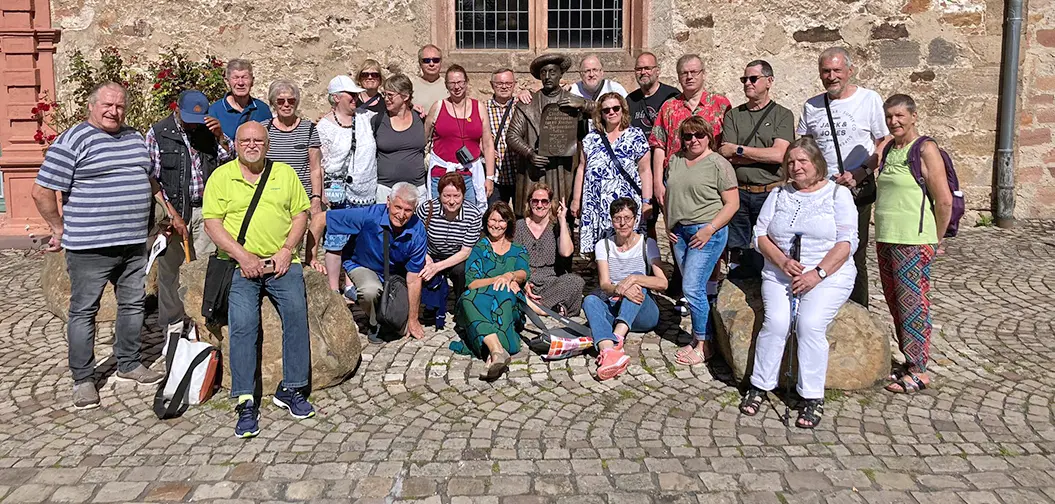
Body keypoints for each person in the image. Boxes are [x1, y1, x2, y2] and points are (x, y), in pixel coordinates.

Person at [31, 82, 165, 409]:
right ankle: (83, 379)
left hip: (133, 244)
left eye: (119, 106)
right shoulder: (73, 140)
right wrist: (58, 228)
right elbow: (42, 191)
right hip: (89, 248)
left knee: (133, 305)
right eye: (107, 105)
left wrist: (167, 214)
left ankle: (130, 363)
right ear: (92, 105)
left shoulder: (134, 138)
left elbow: (149, 180)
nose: (113, 111)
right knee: (84, 311)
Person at [203, 121, 313, 438]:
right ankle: (246, 399)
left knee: (295, 313)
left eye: (258, 140)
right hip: (239, 265)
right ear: (236, 144)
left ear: (267, 144)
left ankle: (292, 388)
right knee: (243, 323)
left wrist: (287, 250)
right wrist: (242, 256)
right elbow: (212, 224)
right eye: (246, 140)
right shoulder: (221, 178)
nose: (252, 145)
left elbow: (300, 215)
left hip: (281, 262)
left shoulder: (284, 174)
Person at [739, 136, 858, 429]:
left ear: (816, 163)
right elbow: (760, 234)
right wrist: (782, 262)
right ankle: (760, 384)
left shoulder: (837, 195)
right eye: (791, 162)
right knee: (777, 322)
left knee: (809, 323)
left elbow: (847, 242)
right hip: (781, 273)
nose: (796, 167)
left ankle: (812, 396)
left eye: (802, 160)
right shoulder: (779, 194)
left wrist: (816, 274)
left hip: (828, 275)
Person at [797, 46, 889, 307]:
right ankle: (821, 304)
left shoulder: (868, 99)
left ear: (850, 71)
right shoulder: (812, 105)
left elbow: (883, 141)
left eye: (837, 70)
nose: (832, 76)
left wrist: (861, 172)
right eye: (826, 71)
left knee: (853, 251)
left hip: (856, 187)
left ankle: (857, 311)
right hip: (822, 190)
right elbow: (805, 146)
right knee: (819, 248)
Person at [874, 94, 953, 394]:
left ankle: (920, 370)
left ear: (913, 116)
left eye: (899, 116)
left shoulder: (925, 149)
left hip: (913, 240)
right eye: (889, 117)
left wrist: (935, 239)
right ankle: (909, 360)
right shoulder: (891, 149)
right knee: (896, 303)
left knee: (914, 305)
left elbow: (943, 200)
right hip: (887, 236)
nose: (894, 121)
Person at [146, 89, 234, 338]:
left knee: (206, 268)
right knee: (171, 271)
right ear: (176, 110)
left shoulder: (209, 130)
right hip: (174, 212)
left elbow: (230, 163)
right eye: (187, 118)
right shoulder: (158, 133)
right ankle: (173, 326)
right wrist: (168, 214)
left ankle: (202, 322)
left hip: (207, 210)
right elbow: (151, 177)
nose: (193, 124)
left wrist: (221, 138)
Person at [649, 54, 732, 316]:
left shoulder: (720, 105)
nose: (690, 76)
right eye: (685, 72)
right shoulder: (669, 107)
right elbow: (659, 145)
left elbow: (726, 146)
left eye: (694, 72)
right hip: (676, 180)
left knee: (709, 238)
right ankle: (689, 290)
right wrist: (657, 184)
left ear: (703, 73)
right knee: (680, 236)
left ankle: (708, 290)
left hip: (708, 182)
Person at [305, 182, 428, 341]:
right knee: (370, 290)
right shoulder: (368, 215)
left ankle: (388, 312)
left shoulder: (418, 231)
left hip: (395, 273)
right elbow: (320, 219)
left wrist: (413, 320)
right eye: (398, 207)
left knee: (401, 328)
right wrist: (311, 257)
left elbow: (413, 280)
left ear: (415, 208)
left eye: (408, 210)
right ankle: (374, 322)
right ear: (388, 201)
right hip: (363, 264)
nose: (401, 214)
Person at [665, 117, 739, 365]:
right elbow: (670, 194)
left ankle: (704, 344)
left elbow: (732, 204)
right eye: (687, 136)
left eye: (699, 135)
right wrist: (668, 224)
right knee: (694, 286)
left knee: (692, 288)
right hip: (680, 233)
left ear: (709, 136)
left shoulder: (718, 164)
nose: (693, 140)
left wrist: (709, 229)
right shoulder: (676, 160)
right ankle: (700, 339)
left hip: (706, 232)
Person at [718, 60, 794, 278]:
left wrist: (739, 150)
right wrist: (763, 156)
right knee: (738, 250)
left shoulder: (782, 115)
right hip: (739, 192)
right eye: (744, 79)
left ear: (769, 81)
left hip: (769, 192)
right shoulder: (734, 115)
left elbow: (780, 155)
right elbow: (725, 153)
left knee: (769, 246)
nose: (747, 83)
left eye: (753, 78)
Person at [584, 198, 667, 380]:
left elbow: (663, 283)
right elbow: (605, 284)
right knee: (590, 300)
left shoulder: (647, 244)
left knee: (637, 279)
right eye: (618, 218)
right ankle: (609, 352)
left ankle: (616, 338)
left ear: (635, 219)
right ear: (612, 221)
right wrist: (620, 289)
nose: (623, 223)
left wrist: (633, 279)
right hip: (615, 305)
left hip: (642, 312)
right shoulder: (603, 246)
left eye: (627, 218)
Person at [450, 202, 531, 380]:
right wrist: (497, 279)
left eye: (501, 220)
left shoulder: (518, 249)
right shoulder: (480, 248)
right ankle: (497, 352)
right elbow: (472, 283)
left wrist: (509, 276)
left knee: (504, 293)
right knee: (468, 298)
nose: (496, 224)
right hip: (480, 300)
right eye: (492, 219)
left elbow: (524, 273)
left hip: (507, 300)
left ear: (508, 223)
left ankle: (493, 354)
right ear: (486, 221)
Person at [317, 74, 378, 293]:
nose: (355, 98)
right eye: (350, 94)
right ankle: (334, 289)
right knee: (336, 240)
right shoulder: (324, 127)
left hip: (366, 190)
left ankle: (353, 285)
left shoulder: (365, 117)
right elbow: (320, 163)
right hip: (339, 192)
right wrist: (321, 192)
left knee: (360, 240)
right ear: (335, 98)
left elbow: (392, 112)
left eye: (355, 94)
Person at [507, 53, 588, 216]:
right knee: (531, 217)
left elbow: (603, 113)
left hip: (563, 169)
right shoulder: (528, 104)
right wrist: (529, 153)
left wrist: (584, 105)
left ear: (560, 74)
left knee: (562, 218)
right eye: (543, 73)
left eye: (552, 72)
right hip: (536, 171)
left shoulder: (574, 101)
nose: (547, 76)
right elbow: (512, 136)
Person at [572, 92, 651, 255]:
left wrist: (647, 201)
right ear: (600, 114)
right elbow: (582, 168)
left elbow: (645, 170)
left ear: (623, 110)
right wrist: (576, 200)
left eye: (616, 108)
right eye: (606, 110)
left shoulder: (635, 136)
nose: (611, 113)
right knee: (600, 251)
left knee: (625, 247)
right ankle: (603, 278)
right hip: (595, 203)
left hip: (625, 203)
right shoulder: (590, 139)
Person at [424, 64, 496, 213]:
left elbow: (488, 144)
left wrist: (489, 177)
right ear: (446, 85)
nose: (456, 87)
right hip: (441, 174)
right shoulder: (438, 107)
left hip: (468, 174)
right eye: (452, 83)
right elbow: (423, 139)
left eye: (460, 82)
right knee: (439, 217)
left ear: (466, 82)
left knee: (469, 217)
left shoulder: (479, 107)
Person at [416, 173, 483, 325]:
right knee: (419, 266)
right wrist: (428, 260)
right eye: (446, 196)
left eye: (456, 196)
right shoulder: (426, 210)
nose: (452, 201)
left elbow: (466, 251)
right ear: (439, 195)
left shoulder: (473, 215)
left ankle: (462, 304)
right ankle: (429, 304)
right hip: (429, 253)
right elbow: (417, 240)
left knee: (461, 271)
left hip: (457, 256)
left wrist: (437, 267)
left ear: (463, 195)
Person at [515, 182, 585, 316]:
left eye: (544, 201)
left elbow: (566, 252)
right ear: (529, 203)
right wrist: (524, 282)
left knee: (575, 281)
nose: (539, 205)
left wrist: (562, 220)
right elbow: (513, 258)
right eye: (535, 201)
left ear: (550, 203)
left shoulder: (556, 226)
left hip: (551, 281)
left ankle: (535, 306)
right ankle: (553, 308)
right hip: (526, 279)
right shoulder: (520, 226)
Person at [262, 80, 322, 201]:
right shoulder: (264, 129)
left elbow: (315, 168)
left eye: (291, 100)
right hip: (271, 198)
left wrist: (316, 198)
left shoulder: (309, 129)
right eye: (280, 101)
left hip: (302, 197)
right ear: (273, 103)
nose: (286, 104)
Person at [375, 74, 428, 203]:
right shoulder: (377, 120)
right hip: (386, 189)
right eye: (384, 95)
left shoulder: (420, 118)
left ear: (405, 96)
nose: (386, 99)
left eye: (390, 95)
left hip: (417, 188)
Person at [208, 59, 273, 139]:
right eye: (235, 78)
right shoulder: (215, 111)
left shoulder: (263, 110)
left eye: (245, 78)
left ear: (252, 81)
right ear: (227, 81)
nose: (240, 83)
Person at [487, 68, 519, 205]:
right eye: (499, 83)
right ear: (492, 85)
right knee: (496, 217)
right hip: (496, 176)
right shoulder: (483, 108)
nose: (504, 86)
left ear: (514, 84)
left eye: (508, 83)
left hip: (519, 174)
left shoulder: (522, 105)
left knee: (522, 217)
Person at [626, 52, 680, 131]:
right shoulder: (630, 100)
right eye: (639, 69)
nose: (643, 72)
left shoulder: (672, 96)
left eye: (647, 68)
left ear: (657, 71)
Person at [409, 44, 449, 113]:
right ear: (420, 63)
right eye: (426, 60)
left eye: (436, 60)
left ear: (441, 62)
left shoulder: (449, 86)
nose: (431, 64)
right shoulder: (411, 87)